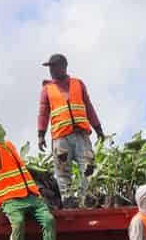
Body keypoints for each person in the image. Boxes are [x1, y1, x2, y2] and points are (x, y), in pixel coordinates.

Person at [37, 53, 106, 206]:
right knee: (62, 170)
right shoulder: (47, 89)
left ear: (64, 66)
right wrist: (41, 135)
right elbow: (43, 113)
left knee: (88, 166)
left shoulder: (78, 84)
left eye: (54, 66)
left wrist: (98, 129)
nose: (51, 70)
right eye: (50, 67)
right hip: (61, 138)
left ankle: (85, 197)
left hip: (81, 136)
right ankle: (68, 199)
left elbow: (89, 107)